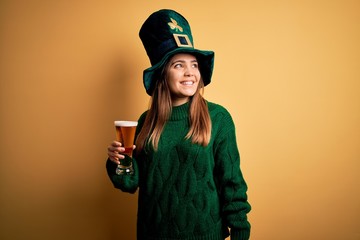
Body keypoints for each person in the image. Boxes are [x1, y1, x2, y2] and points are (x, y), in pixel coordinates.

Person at [106, 9, 251, 240]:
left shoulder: (219, 118)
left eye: (194, 65)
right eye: (178, 65)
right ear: (163, 74)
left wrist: (240, 232)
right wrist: (119, 161)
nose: (190, 73)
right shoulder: (146, 122)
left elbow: (233, 186)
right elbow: (130, 183)